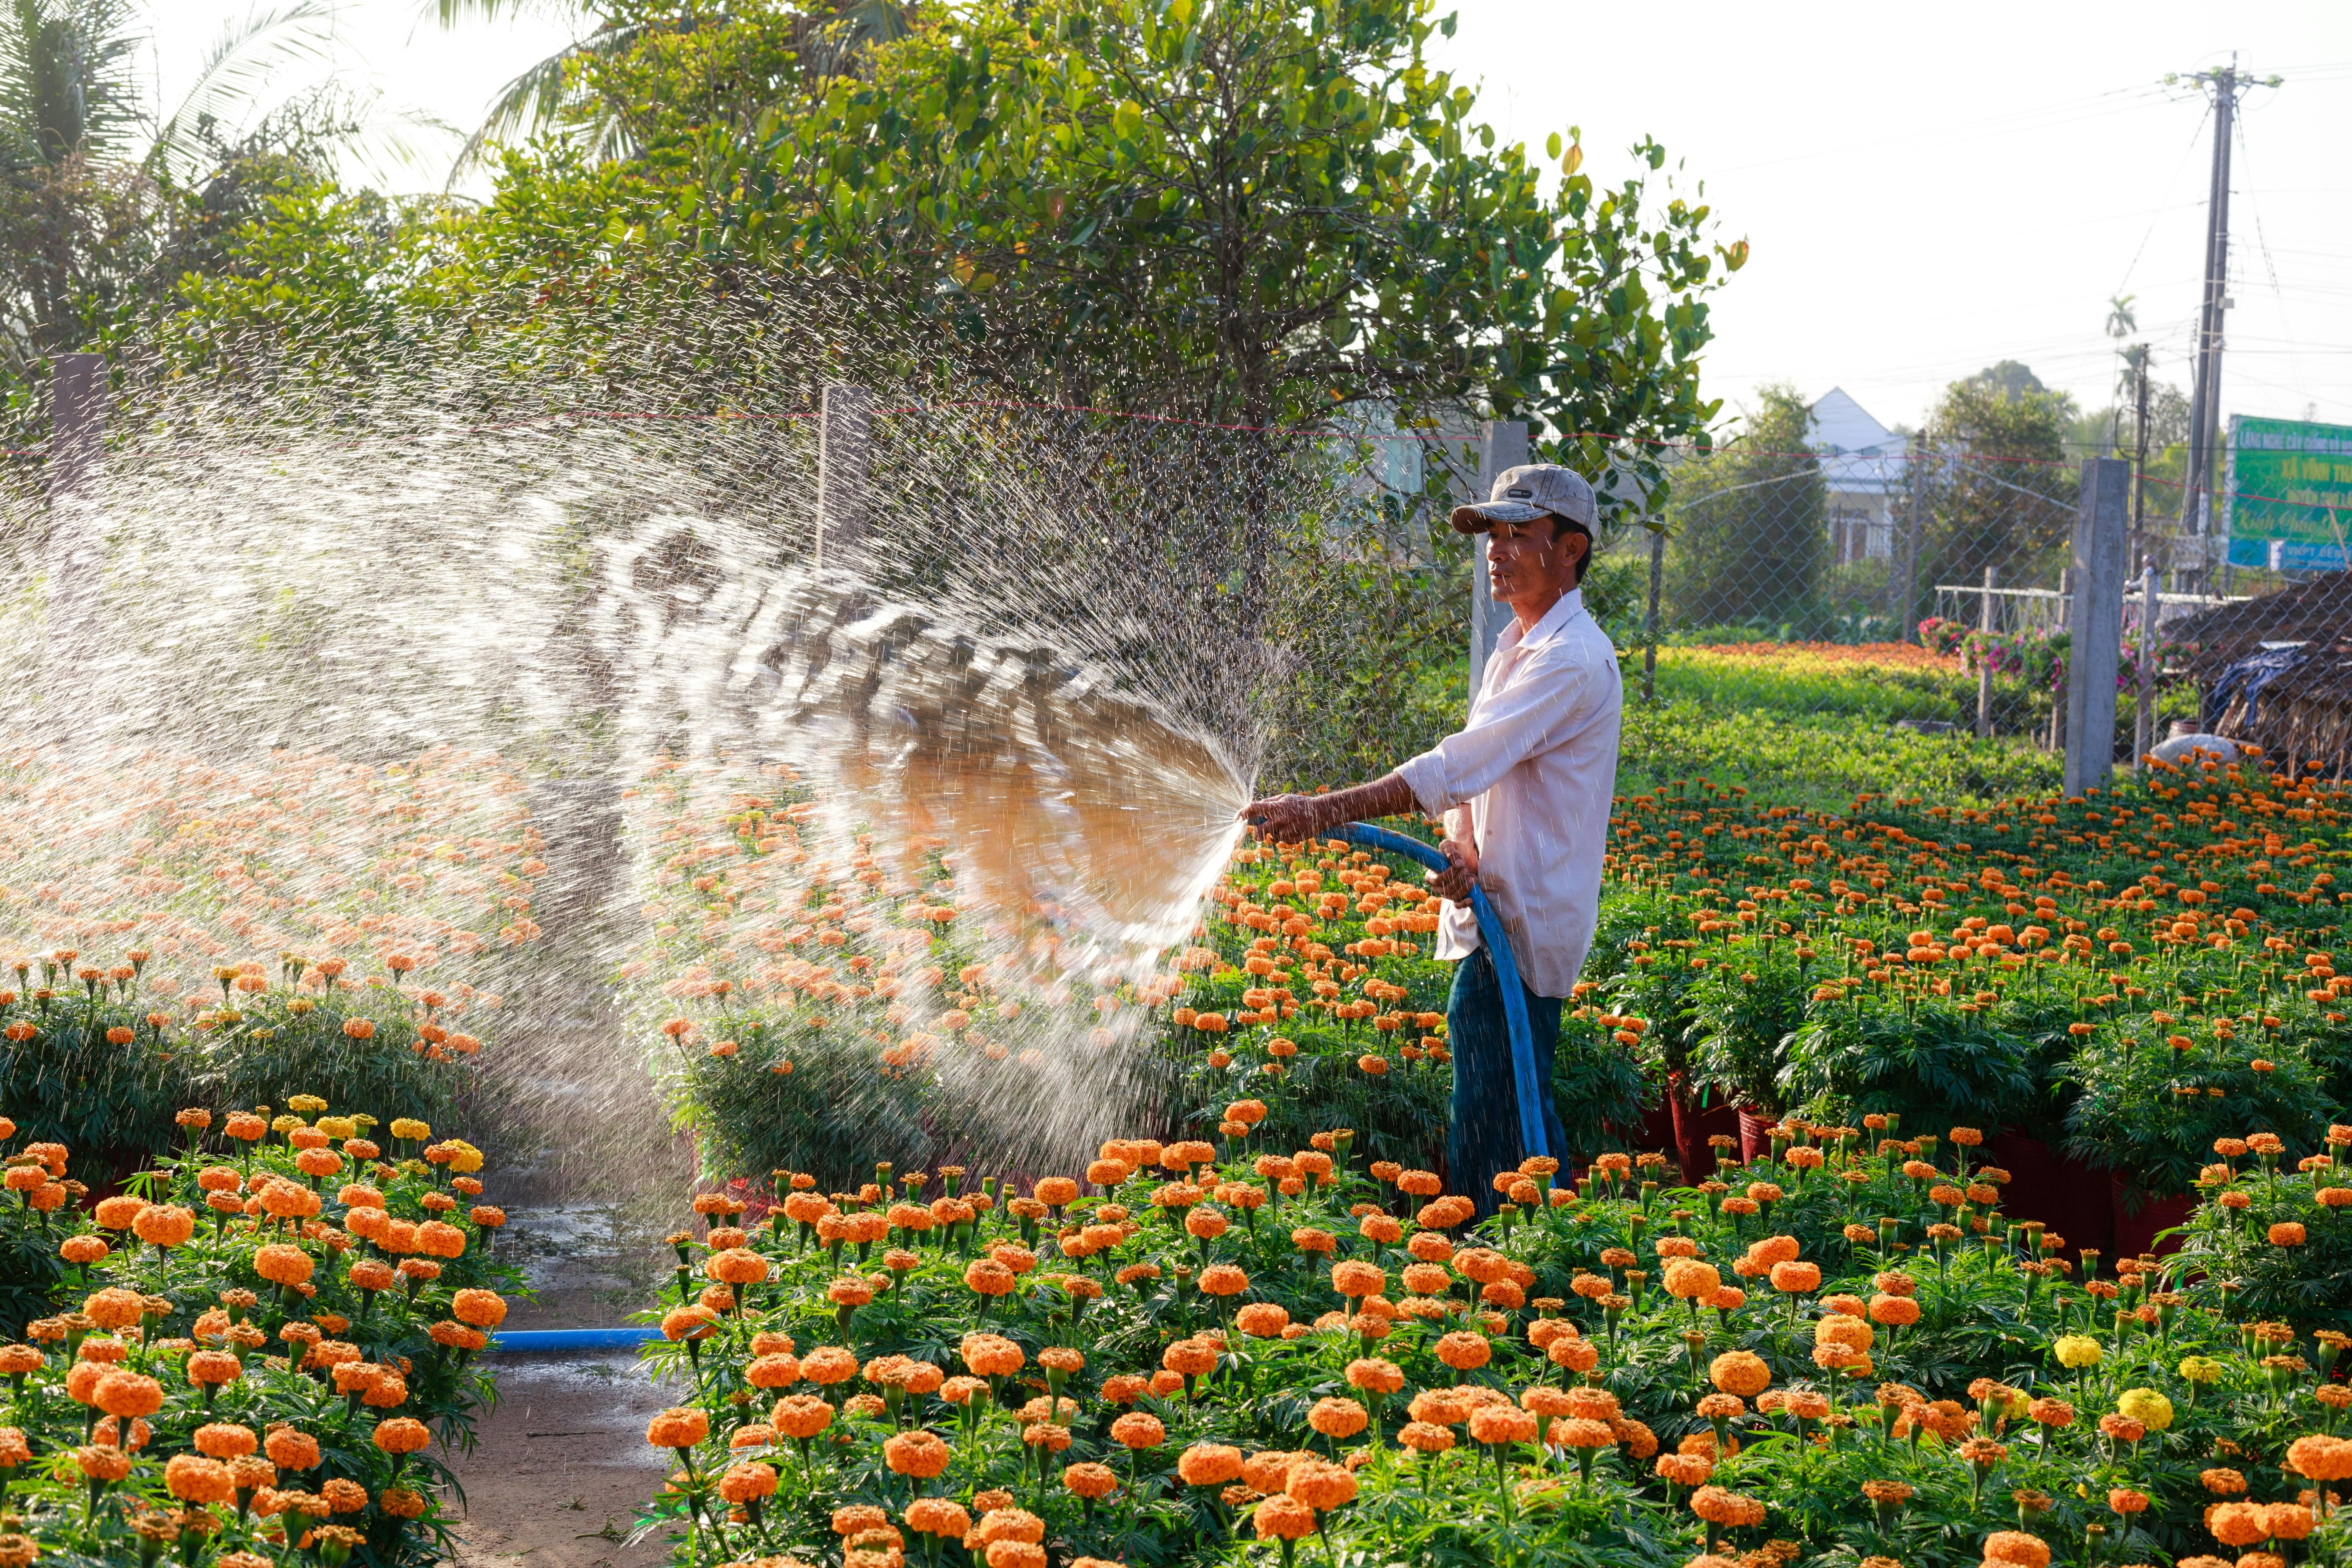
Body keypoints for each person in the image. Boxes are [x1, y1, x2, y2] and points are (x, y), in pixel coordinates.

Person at [1241, 463, 1622, 1207]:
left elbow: (1459, 763)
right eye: (1492, 535)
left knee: (1498, 1118)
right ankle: (1540, 1260)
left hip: (1524, 923)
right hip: (1496, 909)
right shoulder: (1523, 649)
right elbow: (1478, 780)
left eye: (1519, 534)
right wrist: (1464, 850)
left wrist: (1323, 809)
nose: (1497, 550)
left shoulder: (1570, 660)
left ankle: (1506, 1268)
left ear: (1571, 549)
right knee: (1513, 1104)